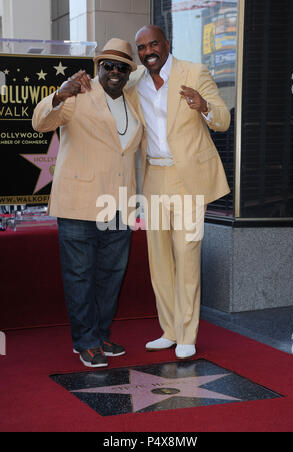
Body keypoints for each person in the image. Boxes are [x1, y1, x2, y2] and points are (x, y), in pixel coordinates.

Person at [32, 39, 146, 368]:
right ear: (97, 67)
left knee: (111, 274)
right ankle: (86, 340)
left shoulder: (132, 100)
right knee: (80, 275)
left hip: (119, 206)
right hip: (78, 203)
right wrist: (58, 94)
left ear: (128, 73)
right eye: (107, 65)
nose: (113, 71)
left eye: (121, 66)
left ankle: (100, 332)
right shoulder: (78, 94)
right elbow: (40, 122)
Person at [130, 25, 231, 359]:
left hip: (186, 178)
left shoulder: (194, 72)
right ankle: (170, 330)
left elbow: (223, 119)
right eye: (141, 47)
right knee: (159, 260)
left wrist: (202, 105)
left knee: (186, 255)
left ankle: (188, 333)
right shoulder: (135, 83)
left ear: (167, 44)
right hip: (154, 177)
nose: (148, 51)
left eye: (153, 44)